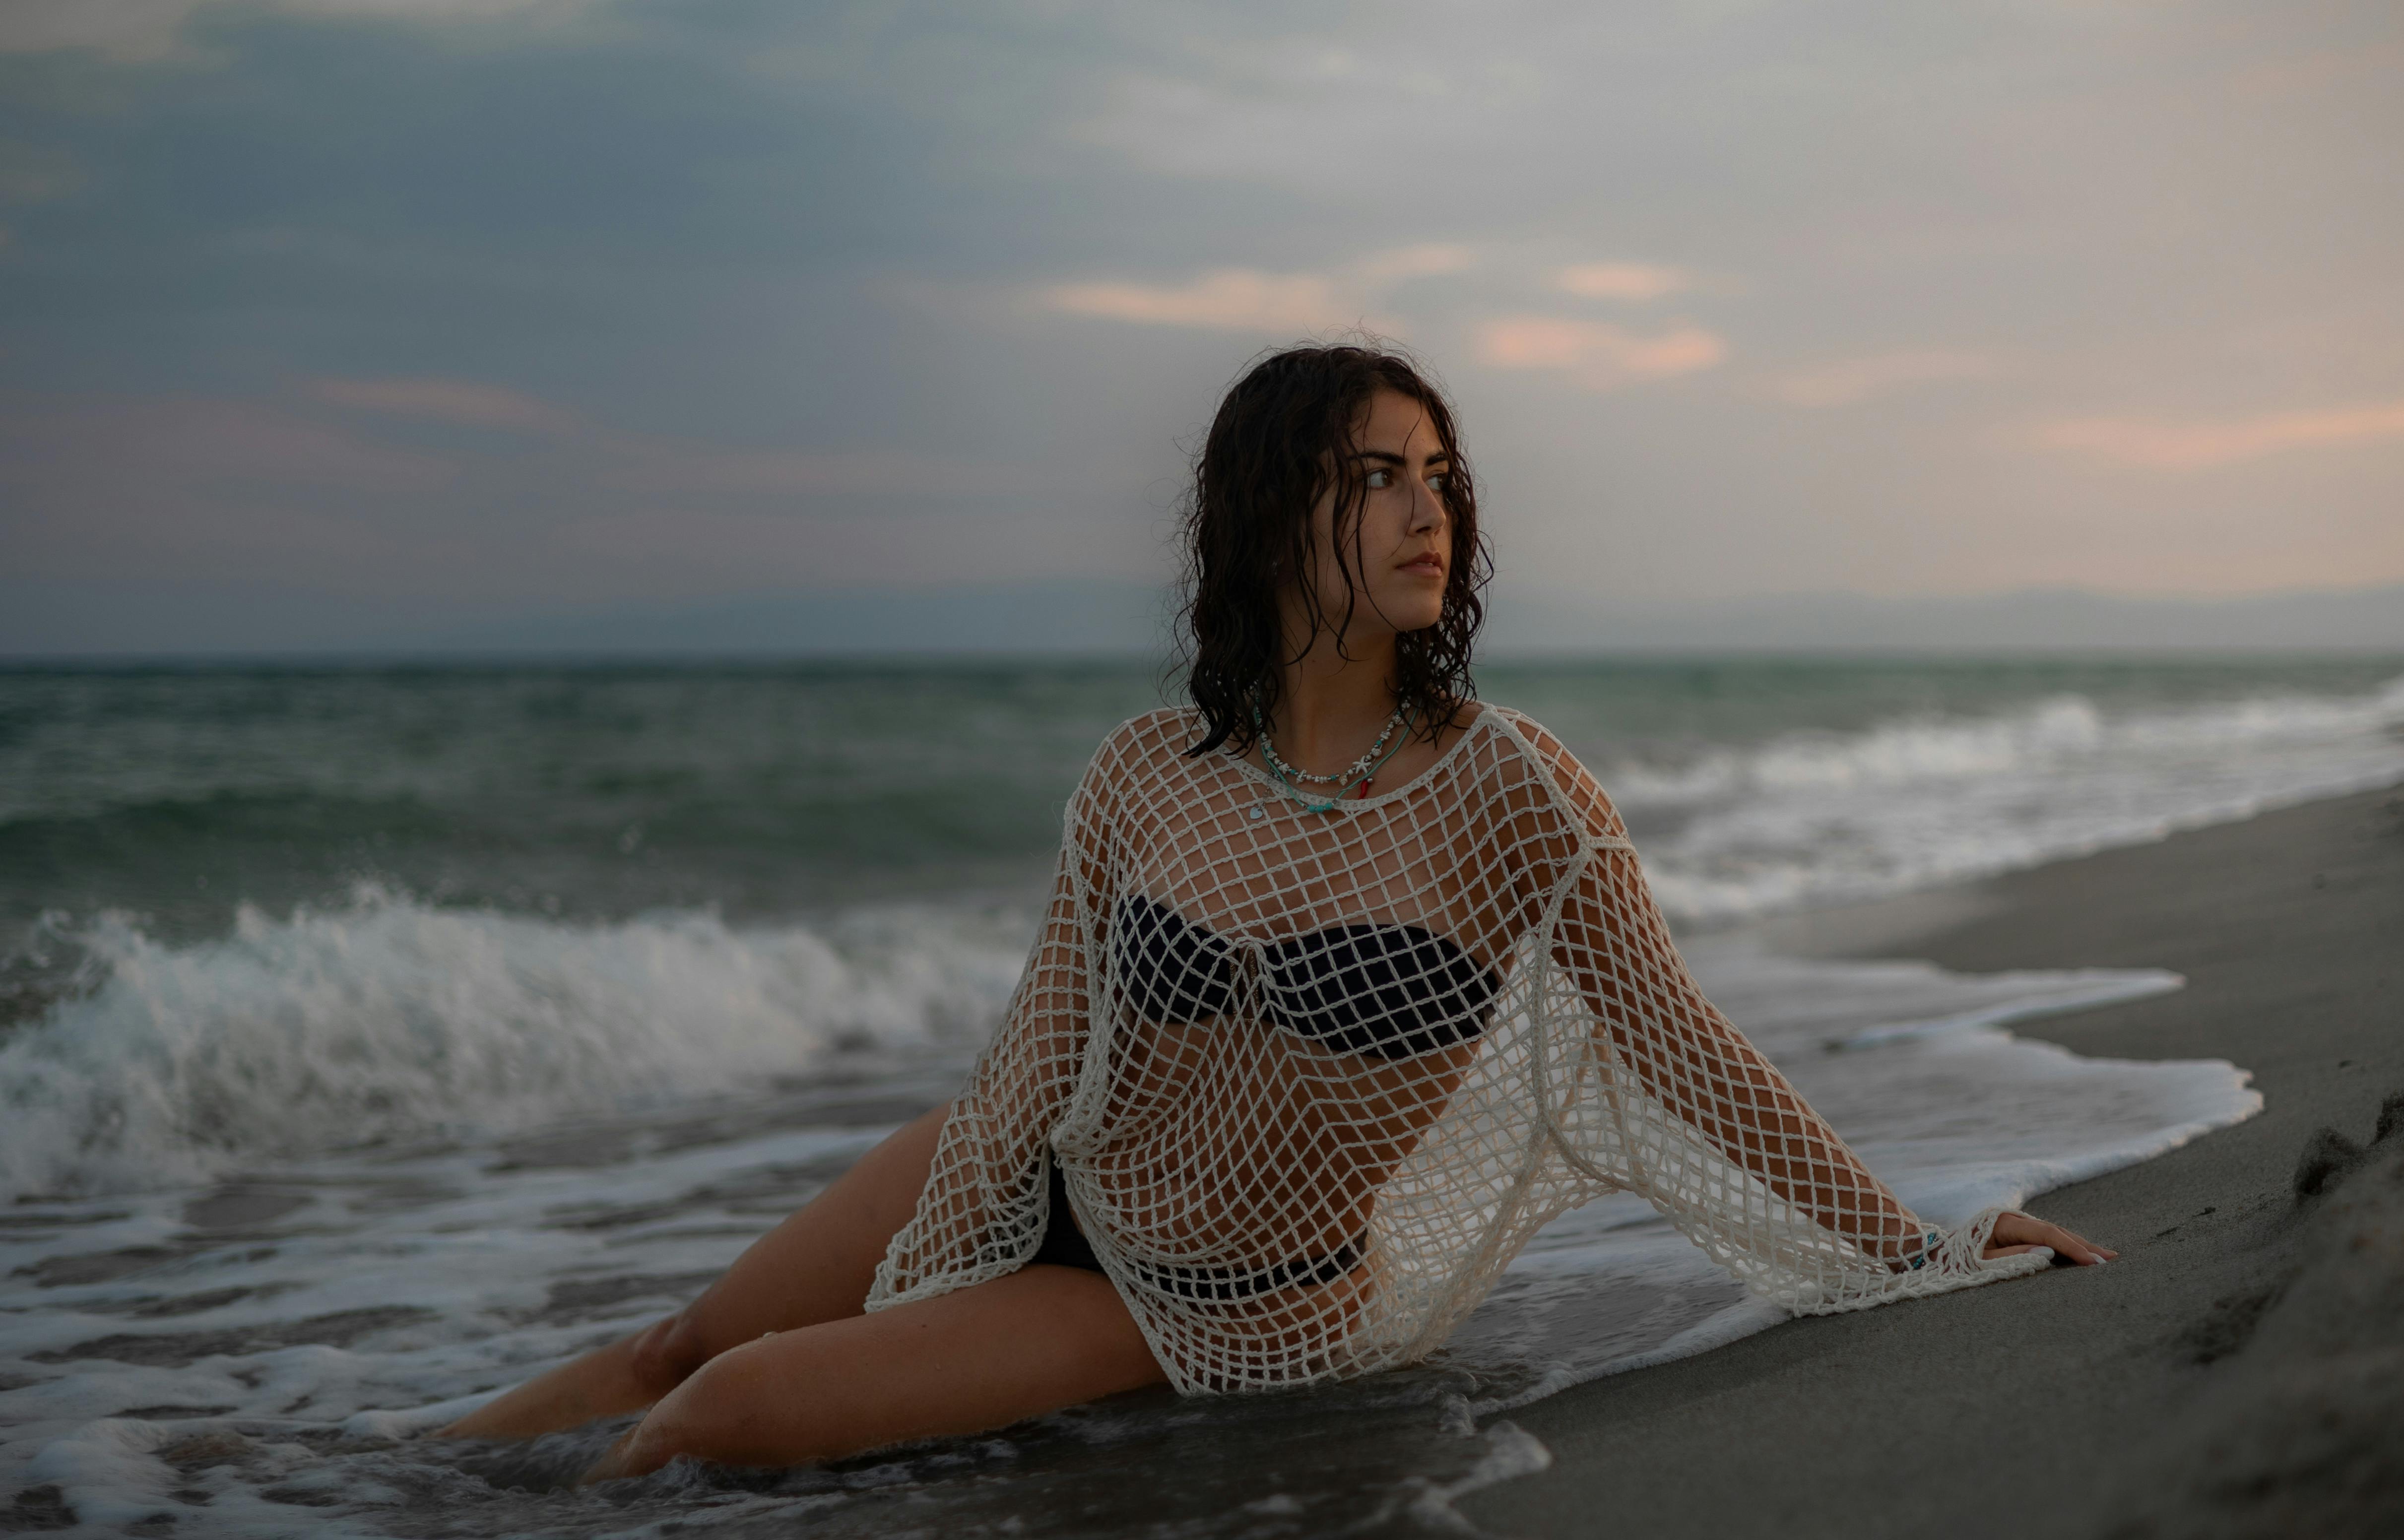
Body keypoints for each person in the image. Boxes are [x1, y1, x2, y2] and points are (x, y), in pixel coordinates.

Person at [439, 344, 2115, 1481]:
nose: (1425, 508)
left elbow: (1685, 1051)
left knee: (735, 1409)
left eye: (1440, 475)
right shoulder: (1145, 776)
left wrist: (1919, 1245)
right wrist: (936, 1265)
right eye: (1373, 476)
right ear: (1267, 521)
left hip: (1220, 1302)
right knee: (677, 1345)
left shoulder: (1510, 791)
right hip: (1040, 1179)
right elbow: (1035, 1060)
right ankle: (362, 1500)